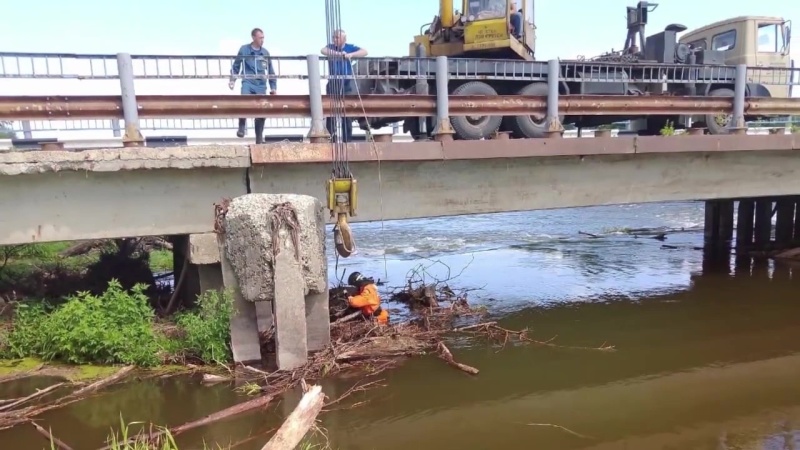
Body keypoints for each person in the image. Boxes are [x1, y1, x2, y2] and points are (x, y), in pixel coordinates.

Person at [229, 28, 277, 144]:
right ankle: (241, 127)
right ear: (254, 38)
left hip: (261, 84)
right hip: (248, 81)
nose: (262, 40)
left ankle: (259, 138)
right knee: (244, 101)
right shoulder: (244, 50)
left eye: (263, 38)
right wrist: (233, 80)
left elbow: (271, 71)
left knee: (261, 110)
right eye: (260, 38)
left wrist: (273, 87)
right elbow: (236, 66)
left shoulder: (265, 53)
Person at [320, 29, 367, 143]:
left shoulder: (350, 47)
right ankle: (332, 139)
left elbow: (365, 51)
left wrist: (351, 55)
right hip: (333, 83)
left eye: (337, 37)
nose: (334, 40)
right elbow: (323, 50)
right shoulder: (331, 47)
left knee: (346, 114)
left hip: (346, 84)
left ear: (344, 39)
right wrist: (339, 54)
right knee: (331, 113)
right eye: (334, 37)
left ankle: (347, 140)